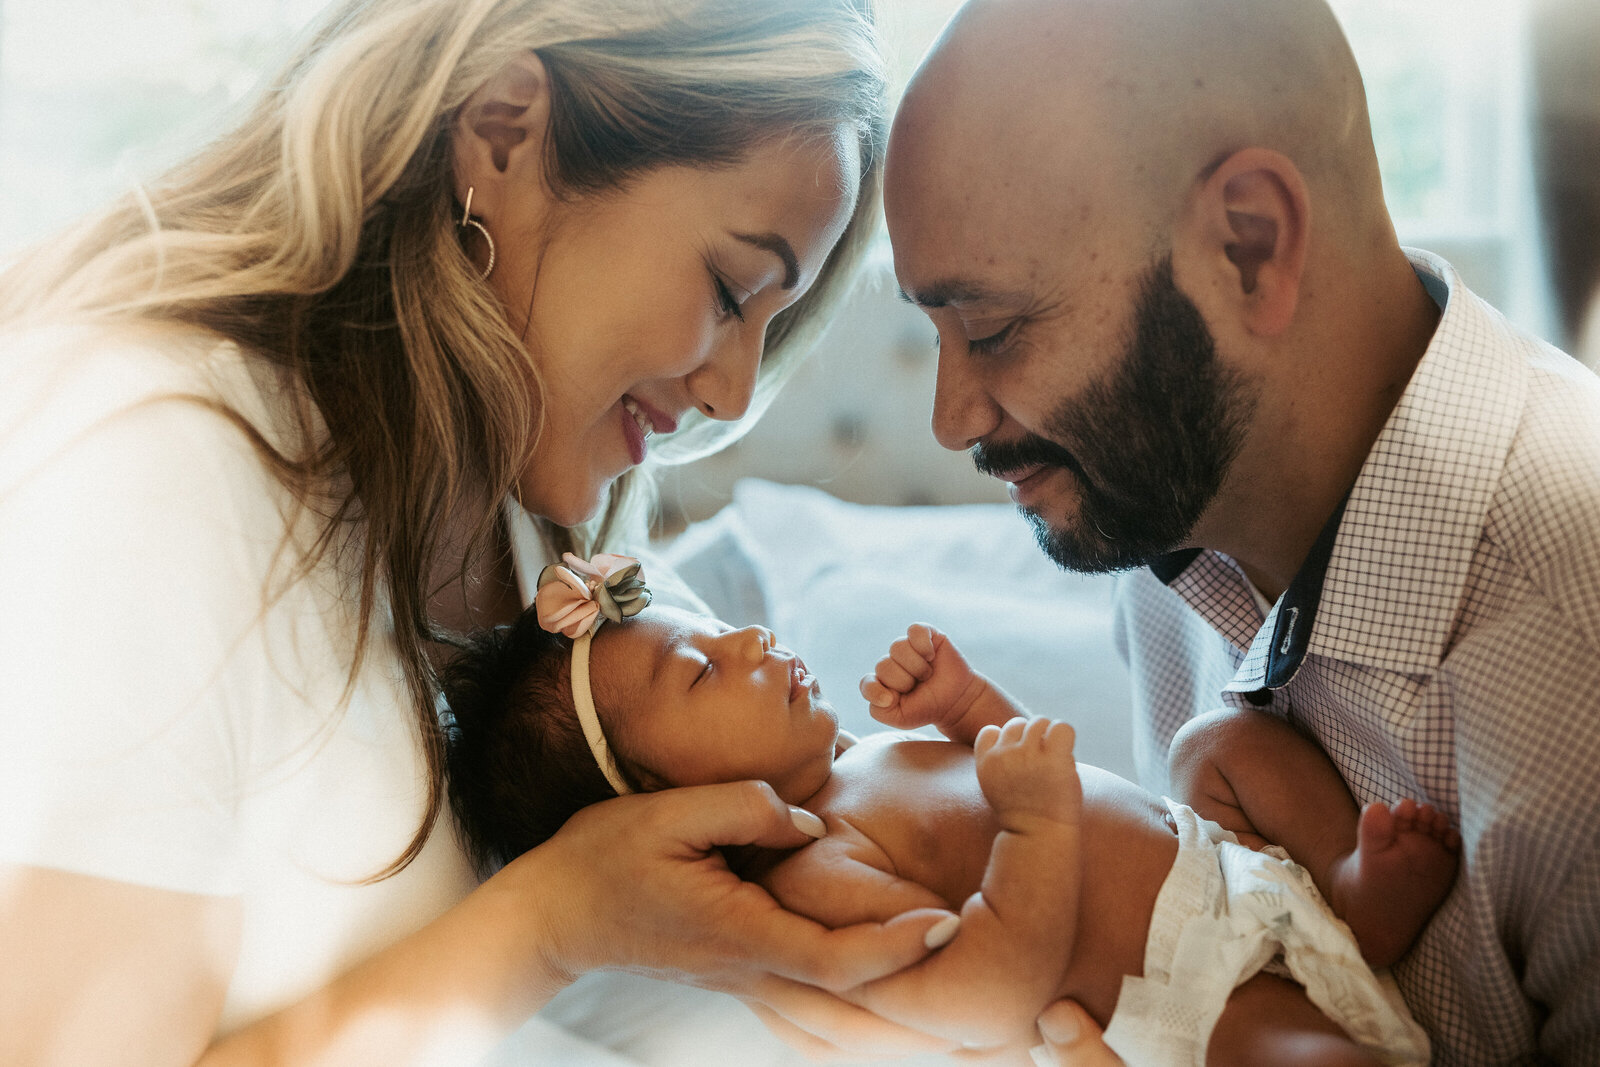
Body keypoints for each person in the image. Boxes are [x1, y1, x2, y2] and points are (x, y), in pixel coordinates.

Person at [0, 2, 977, 1062]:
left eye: (772, 322)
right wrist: (547, 926)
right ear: (505, 129)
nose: (734, 392)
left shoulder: (529, 494)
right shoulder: (158, 472)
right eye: (732, 287)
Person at [881, 0, 1600, 1062]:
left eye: (991, 328)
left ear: (1248, 245)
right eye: (934, 332)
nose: (952, 420)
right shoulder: (1159, 514)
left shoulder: (1570, 655)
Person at [441, 553, 1458, 1064]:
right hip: (1194, 997)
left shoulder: (864, 756)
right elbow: (977, 994)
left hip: (1226, 864)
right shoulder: (815, 868)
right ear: (664, 801)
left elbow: (1034, 765)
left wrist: (970, 709)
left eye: (721, 623)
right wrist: (1036, 827)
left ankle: (1351, 891)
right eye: (703, 668)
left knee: (1214, 743)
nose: (750, 637)